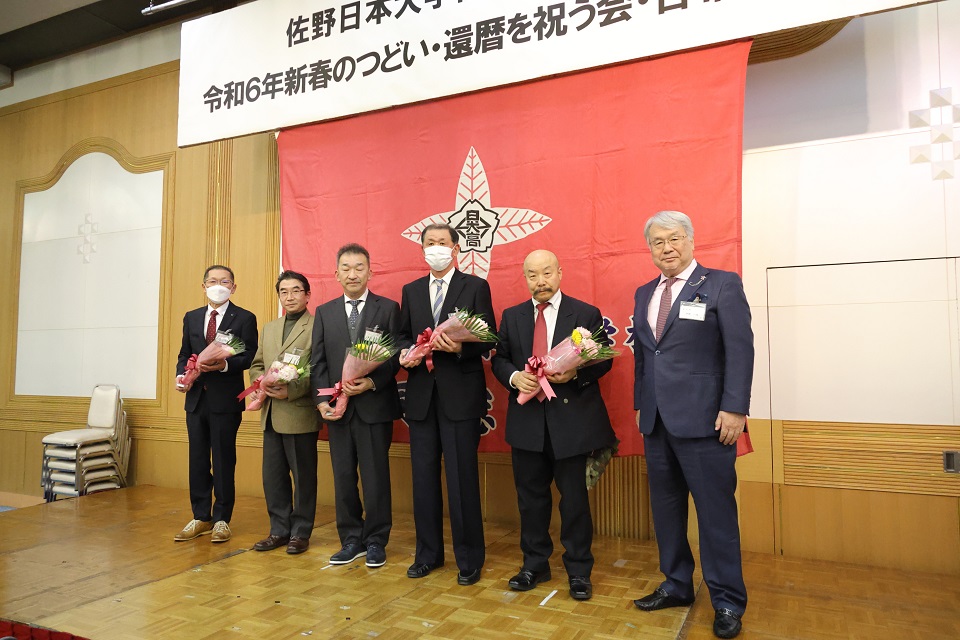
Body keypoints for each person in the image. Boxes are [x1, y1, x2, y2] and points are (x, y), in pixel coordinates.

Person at [631, 211, 754, 639]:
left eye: (674, 238)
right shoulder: (644, 292)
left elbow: (740, 350)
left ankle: (726, 601)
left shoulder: (721, 284)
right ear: (650, 249)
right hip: (657, 421)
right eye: (658, 242)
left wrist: (735, 408)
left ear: (691, 240)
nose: (667, 247)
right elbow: (645, 357)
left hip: (706, 421)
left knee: (716, 515)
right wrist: (639, 404)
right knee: (666, 511)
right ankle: (677, 584)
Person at [491, 250, 616, 601]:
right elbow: (499, 359)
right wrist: (515, 377)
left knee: (574, 501)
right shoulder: (513, 316)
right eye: (532, 274)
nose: (540, 281)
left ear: (560, 273)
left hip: (571, 423)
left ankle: (578, 570)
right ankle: (535, 564)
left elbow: (603, 359)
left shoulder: (585, 313)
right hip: (527, 423)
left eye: (546, 273)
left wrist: (576, 371)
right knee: (531, 501)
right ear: (525, 277)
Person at [397, 223, 496, 586]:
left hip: (460, 397)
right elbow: (403, 336)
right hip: (421, 398)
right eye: (429, 243)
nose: (435, 248)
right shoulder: (411, 290)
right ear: (421, 249)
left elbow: (487, 336)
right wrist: (403, 353)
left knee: (461, 480)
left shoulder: (475, 286)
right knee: (423, 480)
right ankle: (428, 555)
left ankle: (469, 558)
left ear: (455, 248)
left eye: (442, 242)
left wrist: (462, 347)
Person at [312, 244, 402, 568]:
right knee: (344, 476)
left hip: (374, 406)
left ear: (370, 271)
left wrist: (373, 382)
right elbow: (318, 362)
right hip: (338, 410)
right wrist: (323, 401)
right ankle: (351, 538)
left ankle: (377, 540)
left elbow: (396, 357)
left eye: (359, 267)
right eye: (346, 268)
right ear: (336, 274)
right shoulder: (324, 312)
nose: (353, 273)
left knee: (376, 476)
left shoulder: (388, 308)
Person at [174, 265, 258, 543]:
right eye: (212, 281)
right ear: (203, 286)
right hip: (196, 400)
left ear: (233, 287)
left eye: (224, 281)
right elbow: (185, 352)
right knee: (197, 460)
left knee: (223, 461)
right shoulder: (192, 317)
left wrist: (223, 365)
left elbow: (249, 357)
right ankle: (201, 516)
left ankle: (222, 518)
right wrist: (181, 374)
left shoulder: (245, 317)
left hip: (225, 400)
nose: (218, 285)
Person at [248, 270, 319, 555]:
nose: (289, 296)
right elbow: (257, 363)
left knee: (303, 477)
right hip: (270, 414)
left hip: (299, 413)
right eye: (284, 292)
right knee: (273, 477)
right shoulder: (269, 328)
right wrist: (258, 383)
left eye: (296, 290)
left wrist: (293, 389)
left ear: (307, 295)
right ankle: (278, 530)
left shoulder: (317, 326)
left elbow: (320, 369)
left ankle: (300, 533)